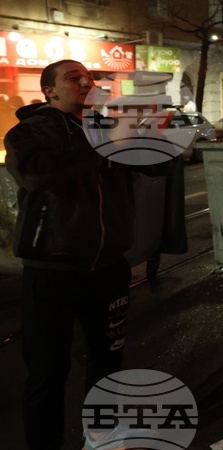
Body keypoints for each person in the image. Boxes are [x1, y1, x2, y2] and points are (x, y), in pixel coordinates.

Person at [4, 60, 154, 450]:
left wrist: (153, 139)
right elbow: (37, 173)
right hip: (53, 270)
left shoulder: (104, 125)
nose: (86, 82)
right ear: (49, 90)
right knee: (47, 372)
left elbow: (160, 168)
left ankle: (101, 437)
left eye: (89, 77)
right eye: (73, 78)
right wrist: (105, 148)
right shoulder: (29, 131)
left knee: (107, 361)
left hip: (107, 268)